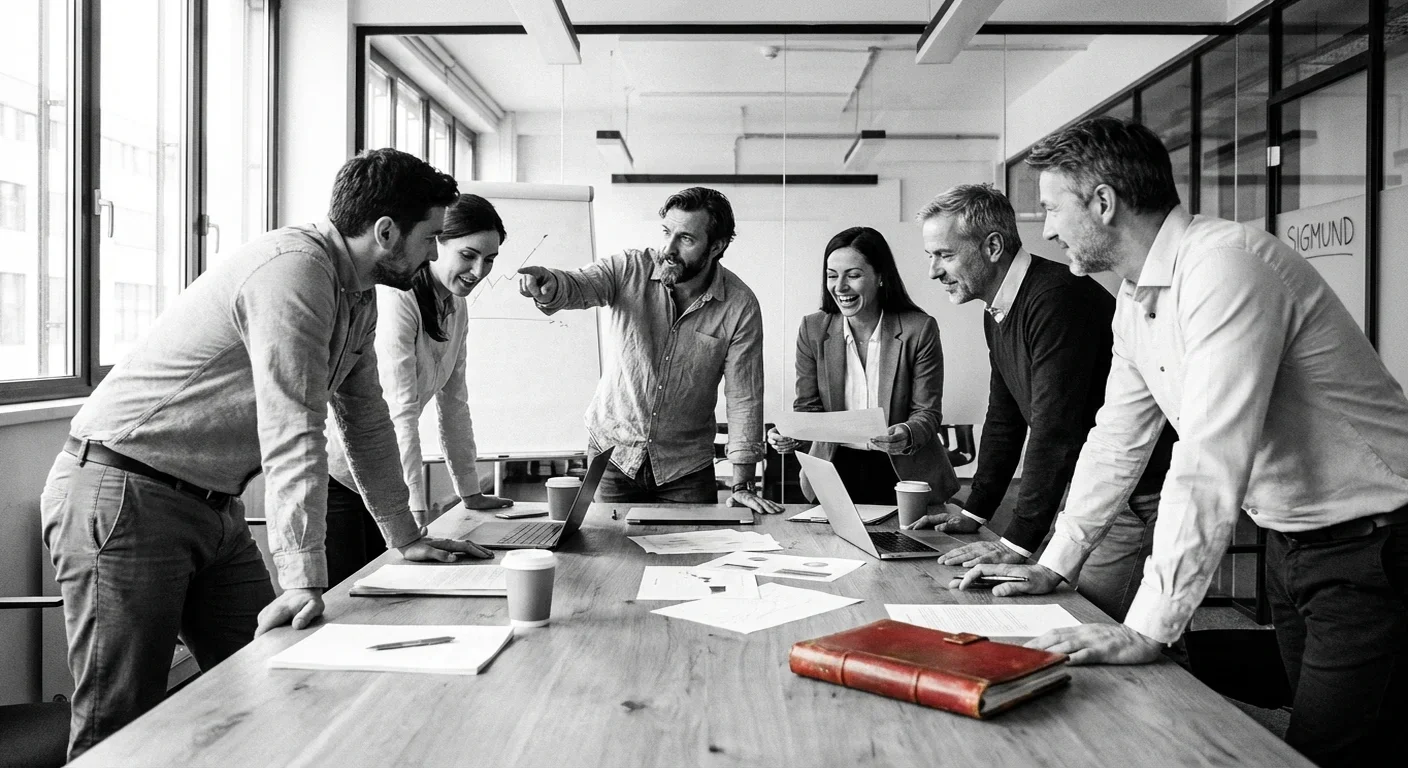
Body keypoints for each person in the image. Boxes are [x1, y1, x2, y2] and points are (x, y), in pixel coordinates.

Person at [953, 117, 1408, 767]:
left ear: (1103, 203)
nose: (1048, 230)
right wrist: (1056, 563)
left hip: (1376, 541)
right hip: (1293, 539)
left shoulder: (1225, 268)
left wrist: (1147, 628)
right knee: (1318, 734)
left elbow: (1208, 457)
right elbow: (1115, 440)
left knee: (1330, 750)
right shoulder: (1135, 301)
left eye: (1052, 208)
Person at [39, 148, 487, 759]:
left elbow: (368, 422)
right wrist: (304, 577)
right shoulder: (295, 270)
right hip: (126, 493)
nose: (436, 254)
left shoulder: (356, 295)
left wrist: (404, 535)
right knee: (118, 728)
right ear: (385, 232)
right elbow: (293, 425)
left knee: (276, 679)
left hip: (208, 505)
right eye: (432, 238)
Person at [903, 184, 1175, 621]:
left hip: (1134, 497)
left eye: (945, 255)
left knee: (1091, 620)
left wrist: (1015, 543)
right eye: (931, 256)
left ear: (992, 246)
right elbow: (1005, 418)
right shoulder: (999, 309)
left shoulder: (1055, 298)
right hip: (1093, 492)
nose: (934, 271)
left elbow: (1055, 430)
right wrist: (975, 511)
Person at [516, 187, 783, 514]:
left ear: (716, 247)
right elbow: (580, 284)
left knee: (691, 559)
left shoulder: (739, 305)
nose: (668, 248)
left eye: (686, 239)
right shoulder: (629, 268)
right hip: (614, 456)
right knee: (610, 559)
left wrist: (742, 482)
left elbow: (744, 396)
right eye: (667, 232)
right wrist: (551, 284)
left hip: (686, 469)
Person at [323, 193, 510, 585]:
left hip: (384, 480)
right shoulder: (399, 300)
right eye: (469, 255)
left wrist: (470, 492)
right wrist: (414, 512)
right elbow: (399, 414)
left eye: (490, 260)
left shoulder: (456, 308)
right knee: (351, 602)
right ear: (437, 243)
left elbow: (454, 404)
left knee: (393, 593)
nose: (479, 270)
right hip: (341, 482)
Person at [766, 226, 958, 507]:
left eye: (853, 275)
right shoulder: (813, 329)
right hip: (834, 470)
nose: (840, 287)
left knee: (905, 548)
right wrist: (792, 434)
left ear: (880, 276)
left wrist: (906, 432)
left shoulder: (920, 328)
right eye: (832, 276)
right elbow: (808, 408)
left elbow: (927, 412)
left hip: (904, 472)